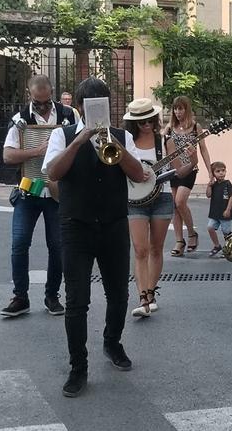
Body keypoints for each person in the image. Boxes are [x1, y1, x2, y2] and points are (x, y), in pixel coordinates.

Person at [43, 77, 147, 398]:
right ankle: (78, 367)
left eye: (104, 105)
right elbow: (52, 173)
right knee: (77, 301)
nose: (100, 112)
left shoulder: (123, 136)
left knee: (119, 294)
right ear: (79, 108)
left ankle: (112, 342)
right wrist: (80, 140)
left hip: (114, 223)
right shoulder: (62, 135)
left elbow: (139, 174)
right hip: (76, 225)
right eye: (92, 107)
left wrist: (110, 144)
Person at [0, 75, 77, 317]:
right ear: (28, 93)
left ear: (52, 92)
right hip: (29, 188)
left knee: (57, 246)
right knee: (19, 243)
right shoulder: (20, 119)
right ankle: (20, 297)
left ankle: (52, 296)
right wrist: (38, 151)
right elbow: (7, 156)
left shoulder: (69, 115)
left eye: (46, 101)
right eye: (38, 102)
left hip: (58, 191)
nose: (42, 106)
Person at [123, 98, 181, 318]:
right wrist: (135, 173)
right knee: (140, 249)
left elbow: (180, 171)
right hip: (134, 200)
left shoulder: (165, 141)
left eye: (149, 120)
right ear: (134, 123)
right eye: (141, 122)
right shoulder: (126, 142)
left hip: (161, 197)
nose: (146, 125)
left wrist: (191, 159)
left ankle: (151, 292)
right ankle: (143, 298)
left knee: (156, 248)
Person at [165, 95, 213, 256]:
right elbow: (162, 146)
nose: (178, 112)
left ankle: (192, 233)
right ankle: (179, 241)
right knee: (174, 205)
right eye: (175, 108)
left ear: (187, 109)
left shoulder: (195, 127)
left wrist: (210, 172)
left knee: (180, 201)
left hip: (190, 169)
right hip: (173, 170)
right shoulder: (170, 127)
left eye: (181, 108)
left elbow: (203, 149)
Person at [206, 161, 232, 257]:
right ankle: (217, 245)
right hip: (215, 212)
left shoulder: (227, 183)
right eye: (218, 171)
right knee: (210, 227)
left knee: (226, 232)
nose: (221, 173)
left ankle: (229, 247)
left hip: (225, 212)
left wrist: (228, 210)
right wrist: (209, 185)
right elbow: (208, 195)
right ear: (213, 174)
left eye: (223, 170)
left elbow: (231, 197)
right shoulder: (213, 185)